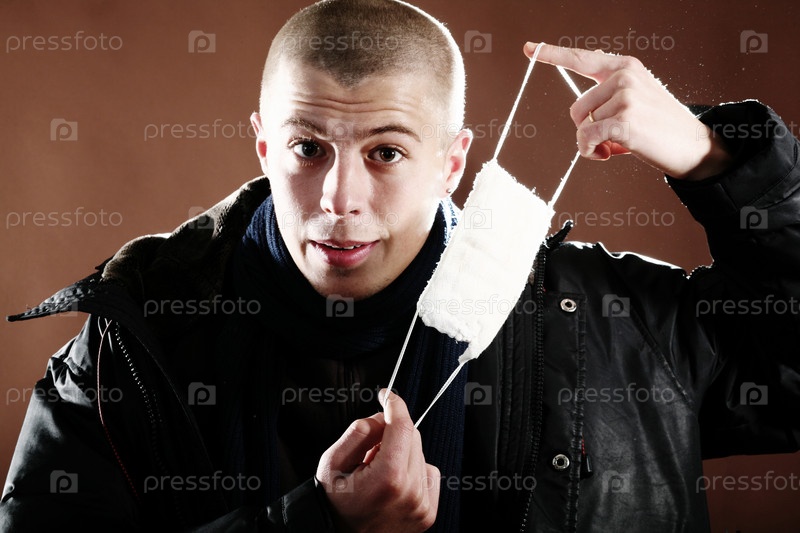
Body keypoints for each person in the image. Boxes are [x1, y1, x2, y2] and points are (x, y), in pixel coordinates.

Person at [2, 0, 799, 531]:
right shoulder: (129, 352)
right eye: (308, 148)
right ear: (263, 145)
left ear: (453, 163)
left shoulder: (609, 326)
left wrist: (718, 160)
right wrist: (316, 525)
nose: (339, 199)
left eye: (386, 152)